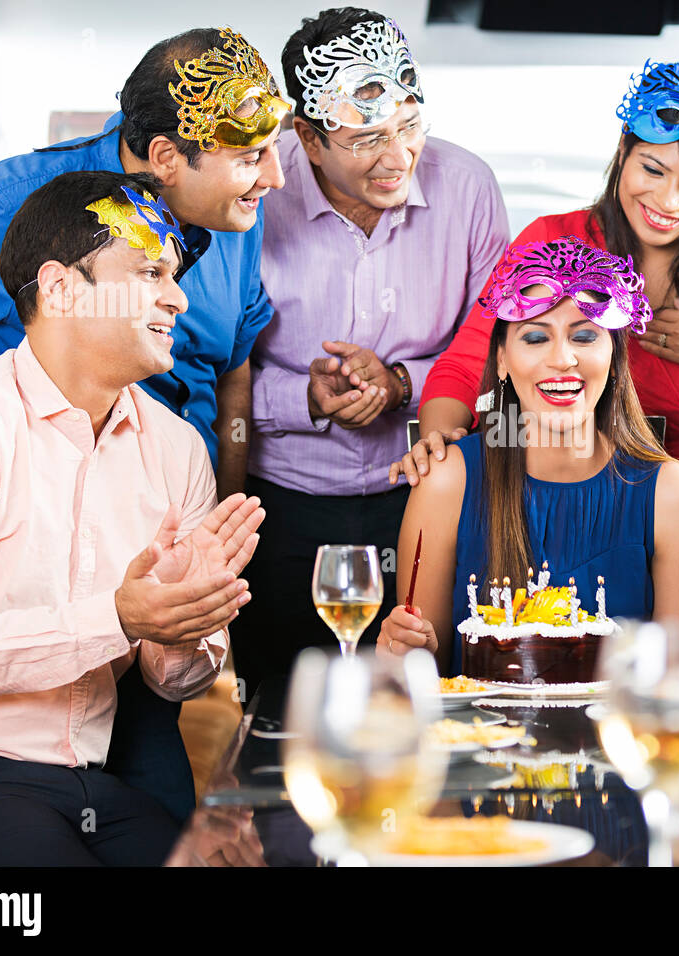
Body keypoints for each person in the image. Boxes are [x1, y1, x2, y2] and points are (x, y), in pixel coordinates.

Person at [0, 26, 288, 821]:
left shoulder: (236, 217)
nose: (276, 177)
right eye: (250, 154)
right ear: (169, 156)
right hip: (21, 620)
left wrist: (214, 544)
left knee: (161, 816)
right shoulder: (16, 210)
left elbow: (234, 362)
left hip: (155, 601)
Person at [393, 59, 679, 638]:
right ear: (623, 152)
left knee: (678, 678)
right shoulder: (554, 239)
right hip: (545, 484)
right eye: (653, 169)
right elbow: (474, 355)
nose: (669, 199)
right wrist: (438, 441)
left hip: (677, 506)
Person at [232, 9, 509, 697]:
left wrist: (402, 383)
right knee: (282, 711)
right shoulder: (255, 194)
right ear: (308, 137)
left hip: (422, 497)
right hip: (282, 505)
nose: (398, 157)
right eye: (365, 139)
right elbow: (212, 357)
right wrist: (305, 397)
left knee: (421, 702)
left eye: (408, 125)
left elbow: (498, 346)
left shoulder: (469, 188)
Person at [378, 237, 679, 671]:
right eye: (536, 337)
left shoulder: (674, 494)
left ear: (615, 353)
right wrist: (402, 651)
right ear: (501, 359)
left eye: (585, 336)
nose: (563, 359)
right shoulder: (447, 481)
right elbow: (423, 673)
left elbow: (676, 682)